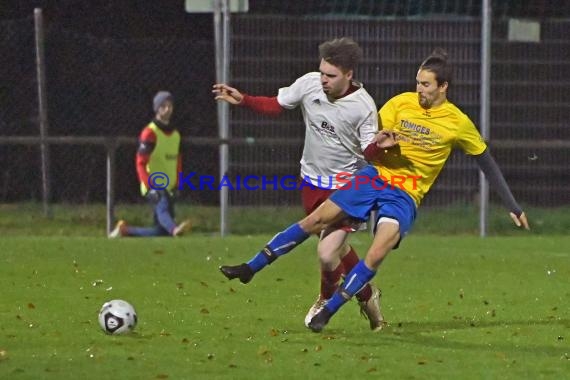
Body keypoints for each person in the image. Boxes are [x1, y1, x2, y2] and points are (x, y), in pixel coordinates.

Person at [219, 49, 530, 332]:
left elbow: (485, 161)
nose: (419, 89)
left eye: (426, 84)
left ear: (443, 86)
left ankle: (329, 310)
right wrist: (381, 143)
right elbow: (371, 143)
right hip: (374, 178)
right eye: (418, 83)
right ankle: (251, 267)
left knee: (377, 250)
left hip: (406, 193)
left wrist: (513, 206)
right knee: (316, 221)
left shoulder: (458, 123)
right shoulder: (400, 103)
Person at [213, 37, 385, 330]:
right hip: (311, 182)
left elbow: (369, 151)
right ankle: (368, 296)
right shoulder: (309, 84)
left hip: (346, 188)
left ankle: (323, 299)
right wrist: (244, 100)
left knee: (326, 251)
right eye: (322, 72)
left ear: (349, 75)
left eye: (331, 75)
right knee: (337, 249)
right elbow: (277, 105)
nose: (324, 80)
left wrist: (381, 146)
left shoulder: (363, 106)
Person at [109, 91, 191, 238]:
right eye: (163, 106)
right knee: (163, 209)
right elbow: (140, 163)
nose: (167, 109)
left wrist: (179, 183)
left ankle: (125, 231)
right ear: (157, 109)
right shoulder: (150, 133)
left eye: (170, 106)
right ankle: (175, 229)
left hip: (169, 186)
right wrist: (149, 186)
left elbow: (177, 160)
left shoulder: (176, 134)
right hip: (155, 184)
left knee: (160, 232)